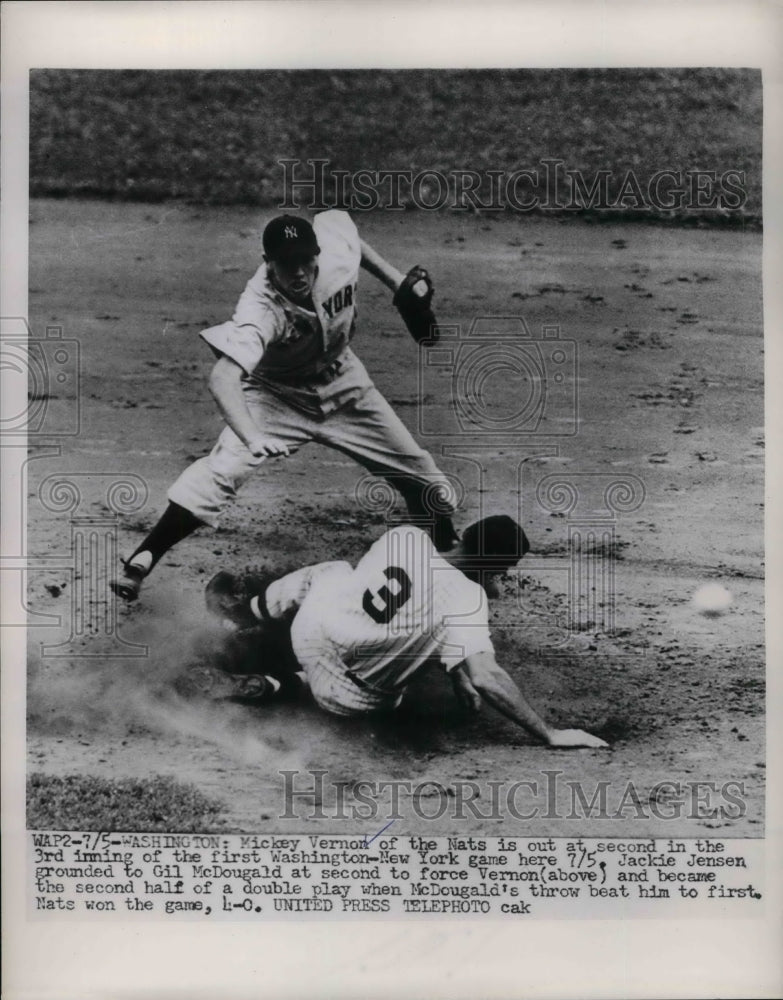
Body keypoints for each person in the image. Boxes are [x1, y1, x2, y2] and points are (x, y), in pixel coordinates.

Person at [111, 211, 457, 601]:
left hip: (345, 382)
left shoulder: (334, 255)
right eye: (285, 264)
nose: (298, 272)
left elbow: (349, 237)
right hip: (276, 396)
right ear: (267, 264)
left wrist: (398, 285)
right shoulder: (259, 309)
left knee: (427, 481)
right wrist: (253, 436)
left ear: (317, 255)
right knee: (223, 470)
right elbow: (223, 378)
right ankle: (143, 558)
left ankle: (450, 552)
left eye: (305, 261)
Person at [204, 515, 609, 750]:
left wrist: (457, 676)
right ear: (496, 567)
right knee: (401, 674)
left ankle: (246, 614)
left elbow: (416, 601)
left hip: (311, 632)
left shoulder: (406, 537)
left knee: (336, 573)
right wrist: (550, 733)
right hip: (348, 699)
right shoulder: (469, 601)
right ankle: (282, 685)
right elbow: (487, 676)